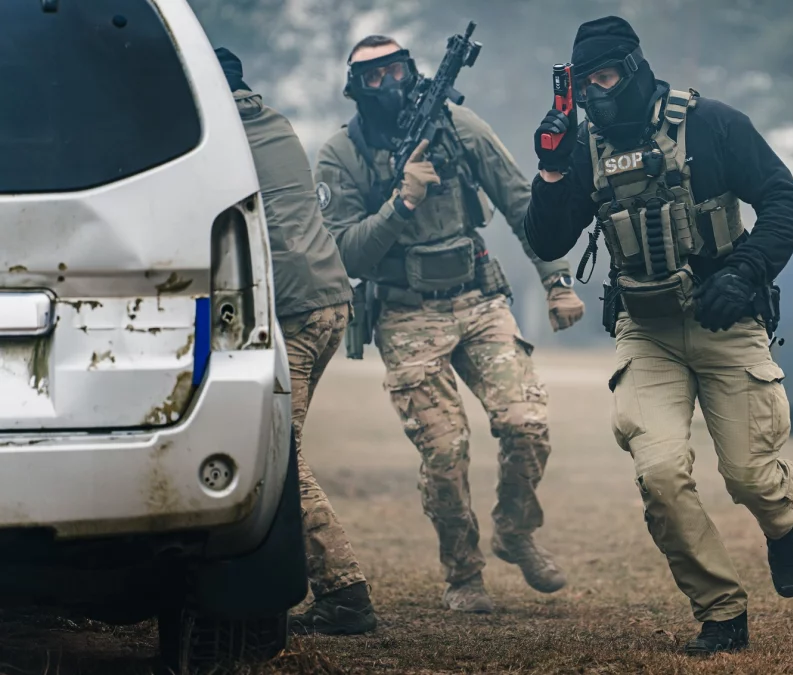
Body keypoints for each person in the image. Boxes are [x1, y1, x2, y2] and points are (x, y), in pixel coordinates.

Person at [523, 17, 793, 655]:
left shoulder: (712, 124)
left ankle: (785, 523)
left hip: (727, 318)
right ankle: (721, 611)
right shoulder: (585, 147)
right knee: (658, 473)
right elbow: (547, 240)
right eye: (583, 83)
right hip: (646, 330)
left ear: (632, 69)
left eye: (604, 77)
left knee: (749, 475)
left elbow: (784, 201)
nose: (595, 93)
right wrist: (550, 169)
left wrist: (744, 271)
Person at [314, 35, 585, 614]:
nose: (388, 84)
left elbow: (522, 202)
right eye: (372, 77)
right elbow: (345, 254)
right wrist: (401, 204)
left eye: (395, 70)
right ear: (355, 87)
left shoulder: (460, 127)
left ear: (412, 70)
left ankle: (515, 531)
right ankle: (463, 574)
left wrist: (557, 280)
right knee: (445, 451)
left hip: (478, 298)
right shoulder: (342, 154)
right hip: (405, 311)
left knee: (527, 422)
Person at [213, 48, 377, 635]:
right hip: (332, 298)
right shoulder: (276, 123)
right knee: (279, 447)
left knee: (279, 459)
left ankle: (346, 595)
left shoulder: (218, 137)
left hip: (294, 310)